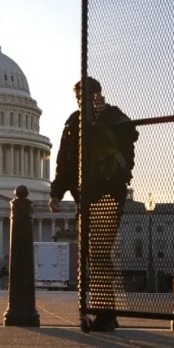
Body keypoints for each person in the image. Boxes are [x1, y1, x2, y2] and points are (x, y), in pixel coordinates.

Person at [47, 77, 138, 333]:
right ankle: (102, 311)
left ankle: (104, 314)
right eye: (79, 99)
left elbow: (131, 136)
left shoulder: (113, 117)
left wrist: (101, 122)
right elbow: (64, 162)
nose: (82, 103)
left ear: (97, 96)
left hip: (108, 194)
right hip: (84, 197)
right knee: (92, 254)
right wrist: (56, 193)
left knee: (98, 252)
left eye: (87, 98)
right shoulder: (73, 123)